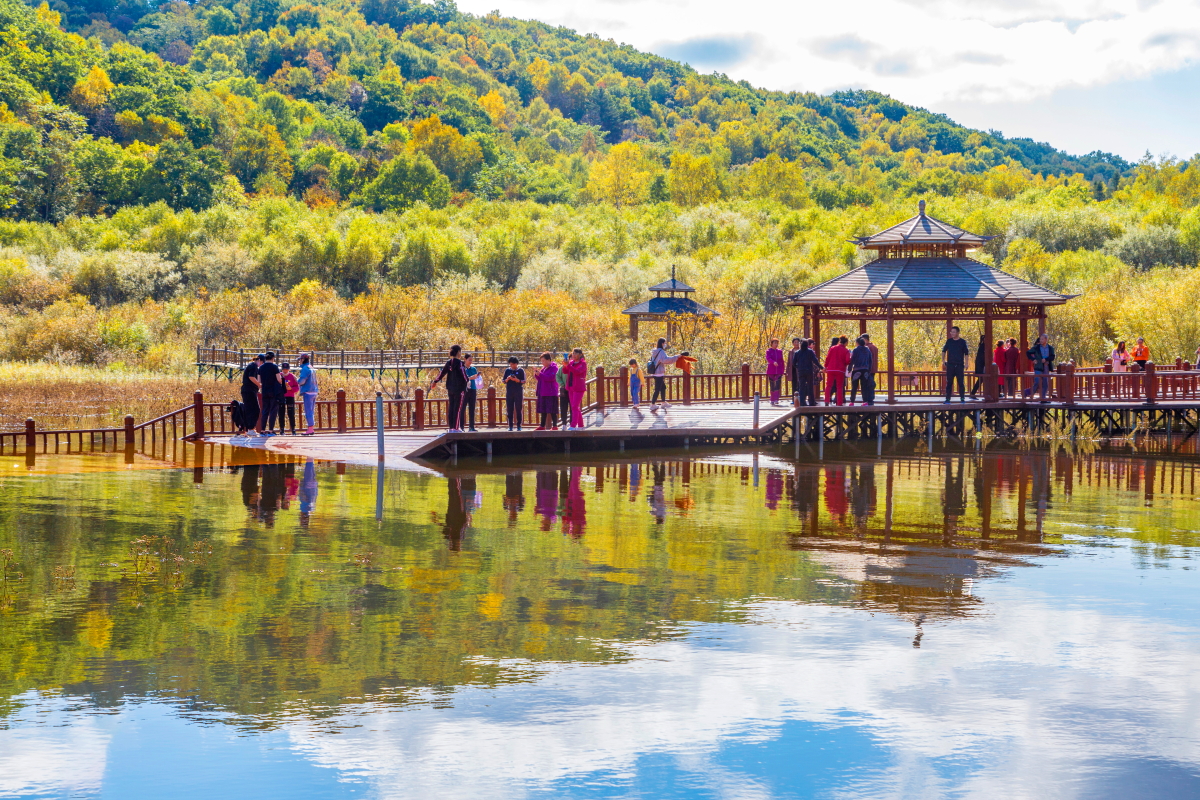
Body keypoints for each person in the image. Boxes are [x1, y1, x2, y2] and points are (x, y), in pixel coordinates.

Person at [429, 345, 469, 431]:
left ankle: (451, 427)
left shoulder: (449, 362)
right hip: (459, 389)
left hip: (450, 388)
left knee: (451, 407)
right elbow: (464, 376)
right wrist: (468, 379)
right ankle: (456, 427)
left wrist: (435, 381)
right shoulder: (460, 363)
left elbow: (442, 373)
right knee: (458, 408)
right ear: (458, 352)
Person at [648, 338, 678, 412]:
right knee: (657, 389)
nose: (665, 345)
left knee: (663, 387)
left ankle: (663, 402)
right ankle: (652, 404)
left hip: (655, 372)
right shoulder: (661, 352)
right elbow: (666, 360)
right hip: (659, 373)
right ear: (662, 343)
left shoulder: (655, 351)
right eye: (664, 343)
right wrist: (677, 357)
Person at [256, 351, 283, 435]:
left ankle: (263, 430)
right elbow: (279, 379)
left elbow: (259, 381)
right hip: (274, 391)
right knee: (273, 410)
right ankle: (271, 430)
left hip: (265, 391)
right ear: (273, 358)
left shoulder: (261, 367)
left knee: (265, 410)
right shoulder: (274, 367)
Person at [942, 326, 969, 404]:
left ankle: (962, 398)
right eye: (951, 332)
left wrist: (967, 363)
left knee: (961, 382)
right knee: (949, 382)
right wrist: (943, 360)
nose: (952, 333)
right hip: (950, 365)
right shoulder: (949, 341)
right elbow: (944, 350)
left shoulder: (962, 342)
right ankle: (947, 399)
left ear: (957, 332)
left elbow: (966, 353)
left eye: (954, 332)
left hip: (959, 365)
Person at [1025, 333, 1056, 401]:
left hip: (1046, 366)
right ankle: (1029, 393)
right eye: (1040, 339)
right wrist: (1033, 359)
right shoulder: (1036, 347)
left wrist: (1046, 359)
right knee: (1037, 381)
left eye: (1042, 339)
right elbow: (1028, 353)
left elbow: (1053, 357)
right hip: (1038, 366)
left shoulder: (1050, 348)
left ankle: (1043, 397)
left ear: (1046, 339)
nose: (1041, 340)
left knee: (1045, 382)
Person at [563, 348, 588, 430]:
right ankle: (581, 425)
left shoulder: (583, 363)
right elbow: (565, 371)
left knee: (574, 406)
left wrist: (569, 365)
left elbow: (577, 372)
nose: (573, 355)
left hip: (579, 387)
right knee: (575, 407)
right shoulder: (571, 362)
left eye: (575, 354)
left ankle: (573, 425)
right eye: (573, 353)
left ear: (580, 354)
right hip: (571, 387)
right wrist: (565, 365)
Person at [535, 352, 560, 430]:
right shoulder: (544, 368)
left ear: (549, 360)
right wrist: (537, 374)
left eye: (543, 361)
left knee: (552, 410)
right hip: (543, 391)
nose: (542, 363)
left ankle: (555, 425)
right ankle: (542, 425)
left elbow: (551, 378)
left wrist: (540, 375)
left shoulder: (554, 368)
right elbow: (540, 378)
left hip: (551, 392)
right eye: (541, 361)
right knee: (543, 410)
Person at [823, 336, 850, 406]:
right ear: (846, 342)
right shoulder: (846, 351)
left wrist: (825, 366)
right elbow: (847, 360)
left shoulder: (832, 348)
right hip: (840, 370)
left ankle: (827, 400)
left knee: (828, 385)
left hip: (831, 369)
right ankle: (839, 402)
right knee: (839, 386)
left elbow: (827, 358)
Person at [793, 339, 821, 406]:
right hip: (809, 371)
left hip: (801, 371)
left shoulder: (797, 353)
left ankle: (802, 402)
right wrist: (821, 367)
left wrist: (798, 367)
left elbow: (794, 363)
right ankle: (811, 402)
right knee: (810, 386)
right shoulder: (810, 352)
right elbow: (815, 361)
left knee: (801, 387)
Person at [239, 354, 262, 435]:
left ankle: (249, 429)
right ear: (259, 361)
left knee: (249, 409)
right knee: (255, 409)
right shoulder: (254, 366)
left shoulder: (251, 365)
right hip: (249, 390)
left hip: (248, 390)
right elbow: (251, 377)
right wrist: (259, 385)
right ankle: (251, 429)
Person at [296, 353, 318, 435]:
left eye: (300, 359)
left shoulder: (305, 368)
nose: (299, 361)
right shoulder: (311, 367)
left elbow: (302, 381)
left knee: (308, 410)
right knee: (311, 411)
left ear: (303, 359)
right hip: (314, 390)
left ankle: (310, 429)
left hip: (308, 391)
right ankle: (311, 428)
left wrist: (296, 381)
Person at [849, 336, 875, 405]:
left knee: (854, 386)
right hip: (865, 370)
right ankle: (865, 401)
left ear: (858, 343)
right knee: (864, 386)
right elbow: (870, 361)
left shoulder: (856, 350)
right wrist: (869, 369)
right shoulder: (868, 350)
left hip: (857, 370)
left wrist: (850, 368)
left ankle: (852, 401)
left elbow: (852, 360)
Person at [503, 356, 525, 431]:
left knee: (519, 409)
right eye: (510, 364)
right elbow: (503, 381)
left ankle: (519, 425)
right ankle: (510, 426)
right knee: (509, 409)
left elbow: (524, 381)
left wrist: (517, 380)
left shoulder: (521, 370)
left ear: (516, 364)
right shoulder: (507, 370)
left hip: (518, 391)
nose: (511, 365)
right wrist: (507, 379)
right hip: (509, 392)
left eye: (513, 364)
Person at [278, 362, 299, 435]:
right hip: (281, 397)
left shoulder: (292, 376)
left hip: (290, 396)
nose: (285, 371)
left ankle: (293, 429)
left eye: (286, 369)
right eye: (284, 369)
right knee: (281, 413)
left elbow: (297, 388)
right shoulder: (279, 376)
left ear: (289, 369)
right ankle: (282, 430)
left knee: (291, 413)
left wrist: (291, 388)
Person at [765, 338, 785, 405]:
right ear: (771, 344)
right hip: (771, 370)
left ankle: (776, 399)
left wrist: (783, 370)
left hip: (778, 371)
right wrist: (773, 362)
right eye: (774, 343)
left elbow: (782, 361)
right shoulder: (769, 351)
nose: (776, 344)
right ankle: (772, 399)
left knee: (777, 385)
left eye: (777, 343)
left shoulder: (779, 351)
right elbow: (768, 358)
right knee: (772, 385)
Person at [463, 353, 480, 432]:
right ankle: (461, 426)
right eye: (469, 360)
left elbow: (476, 379)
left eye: (471, 360)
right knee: (462, 408)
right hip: (464, 389)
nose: (470, 361)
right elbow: (462, 379)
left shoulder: (473, 369)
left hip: (473, 389)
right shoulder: (462, 369)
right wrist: (471, 377)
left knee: (472, 408)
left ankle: (471, 426)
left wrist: (477, 377)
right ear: (465, 360)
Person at [557, 353, 570, 424]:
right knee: (563, 407)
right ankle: (564, 422)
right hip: (563, 389)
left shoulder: (572, 368)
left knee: (572, 407)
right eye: (564, 361)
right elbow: (557, 376)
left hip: (571, 390)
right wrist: (562, 384)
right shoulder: (561, 369)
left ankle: (572, 422)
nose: (565, 362)